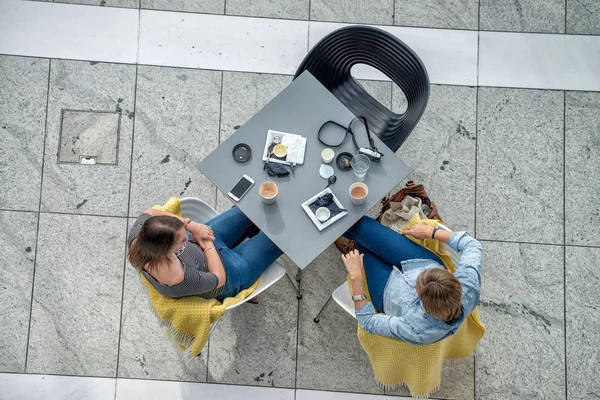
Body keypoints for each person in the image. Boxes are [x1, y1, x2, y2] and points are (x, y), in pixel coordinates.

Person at [339, 216, 482, 345]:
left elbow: (367, 322)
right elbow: (472, 244)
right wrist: (431, 232)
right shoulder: (469, 282)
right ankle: (355, 240)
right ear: (456, 281)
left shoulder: (417, 331)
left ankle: (354, 241)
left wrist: (356, 277)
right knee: (361, 226)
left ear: (420, 299)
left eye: (417, 286)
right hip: (419, 261)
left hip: (387, 293)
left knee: (363, 242)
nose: (415, 280)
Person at [127, 206, 282, 300]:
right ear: (165, 250)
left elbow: (150, 212)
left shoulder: (137, 239)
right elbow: (219, 278)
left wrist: (190, 226)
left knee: (254, 205)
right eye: (182, 241)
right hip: (228, 274)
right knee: (282, 236)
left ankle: (251, 230)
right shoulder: (177, 277)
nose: (186, 240)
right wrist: (207, 243)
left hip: (205, 244)